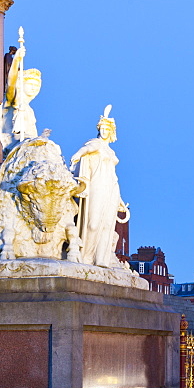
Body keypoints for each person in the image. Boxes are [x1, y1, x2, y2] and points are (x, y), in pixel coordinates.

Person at [70, 105, 129, 268]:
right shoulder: (95, 144)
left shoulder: (111, 152)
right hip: (96, 185)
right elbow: (87, 148)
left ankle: (101, 259)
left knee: (107, 225)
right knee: (93, 222)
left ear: (111, 132)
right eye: (101, 128)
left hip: (111, 188)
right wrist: (78, 154)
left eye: (106, 128)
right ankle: (86, 256)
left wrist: (120, 200)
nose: (103, 131)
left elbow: (114, 177)